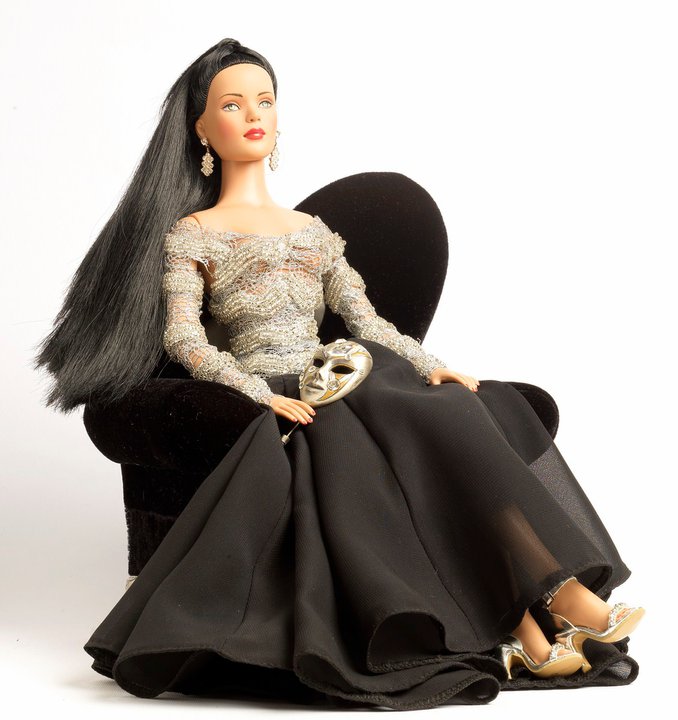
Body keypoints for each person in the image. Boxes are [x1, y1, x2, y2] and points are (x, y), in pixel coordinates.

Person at [34, 38, 644, 710]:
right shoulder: (194, 233)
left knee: (461, 404)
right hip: (284, 389)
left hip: (346, 372)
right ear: (201, 129)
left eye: (265, 100)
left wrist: (433, 364)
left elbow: (368, 321)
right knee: (416, 415)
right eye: (233, 105)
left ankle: (540, 617)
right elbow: (183, 337)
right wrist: (257, 394)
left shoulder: (313, 231)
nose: (254, 115)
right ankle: (545, 616)